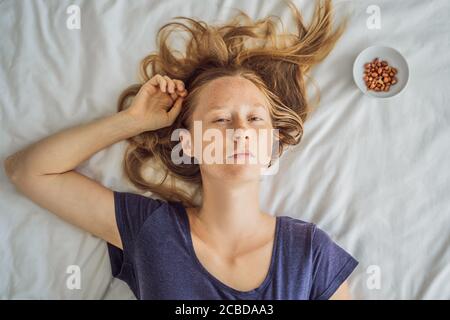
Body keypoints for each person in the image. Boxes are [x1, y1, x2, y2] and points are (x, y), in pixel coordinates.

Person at [4, 0, 358, 299]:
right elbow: (28, 170)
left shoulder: (311, 252)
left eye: (254, 119)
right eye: (220, 120)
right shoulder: (152, 229)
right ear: (187, 144)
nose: (241, 132)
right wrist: (132, 122)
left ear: (272, 144)